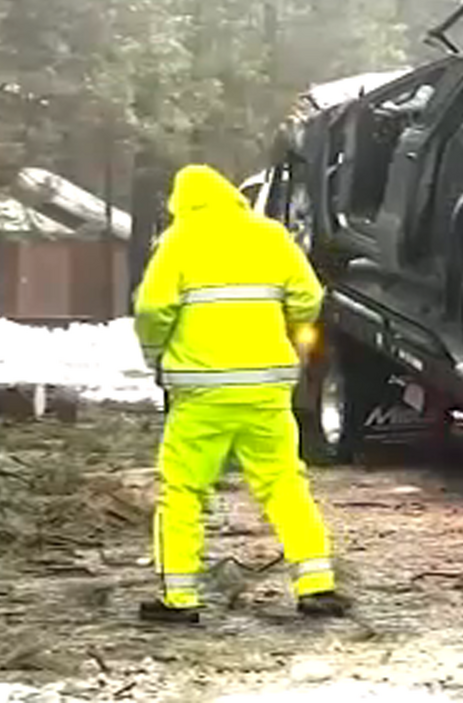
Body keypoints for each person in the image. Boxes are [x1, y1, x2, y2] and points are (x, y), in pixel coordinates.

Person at [133, 164, 350, 624]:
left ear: (180, 202)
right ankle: (316, 584)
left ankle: (179, 598)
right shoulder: (270, 236)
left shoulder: (178, 242)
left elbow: (152, 308)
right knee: (285, 484)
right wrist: (289, 328)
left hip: (200, 394)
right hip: (267, 390)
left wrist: (156, 355)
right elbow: (309, 297)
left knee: (183, 492)